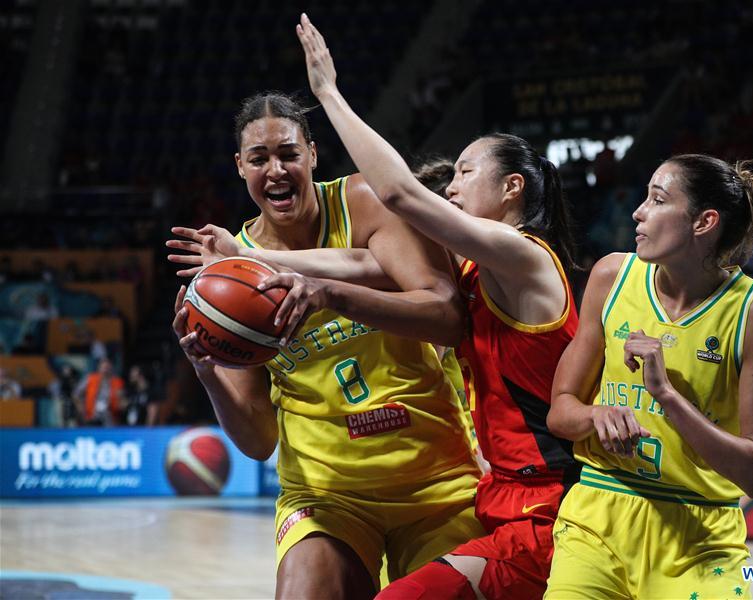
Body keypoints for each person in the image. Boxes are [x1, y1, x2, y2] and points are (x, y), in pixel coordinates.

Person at [295, 15, 580, 599]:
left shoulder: (524, 256)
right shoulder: (475, 267)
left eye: (464, 173)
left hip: (550, 506)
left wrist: (328, 94)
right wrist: (246, 257)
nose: (450, 186)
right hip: (506, 494)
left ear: (512, 189)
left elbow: (398, 193)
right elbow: (360, 264)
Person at [170, 87, 482, 598]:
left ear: (312, 154)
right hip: (326, 491)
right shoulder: (227, 276)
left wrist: (331, 296)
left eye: (289, 153)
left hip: (436, 479)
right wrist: (207, 370)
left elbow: (448, 318)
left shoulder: (362, 202)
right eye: (259, 158)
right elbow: (257, 441)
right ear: (240, 167)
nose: (276, 169)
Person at [545, 153, 753, 598]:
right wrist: (596, 415)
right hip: (598, 517)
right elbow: (560, 410)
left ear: (704, 222)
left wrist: (668, 398)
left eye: (658, 200)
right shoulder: (611, 276)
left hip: (700, 537)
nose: (638, 211)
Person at [74, 357, 123, 426]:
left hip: (110, 419)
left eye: (107, 367)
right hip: (92, 416)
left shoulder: (117, 382)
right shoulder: (90, 379)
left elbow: (121, 400)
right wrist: (81, 410)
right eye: (103, 367)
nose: (105, 370)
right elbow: (76, 394)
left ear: (111, 368)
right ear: (99, 368)